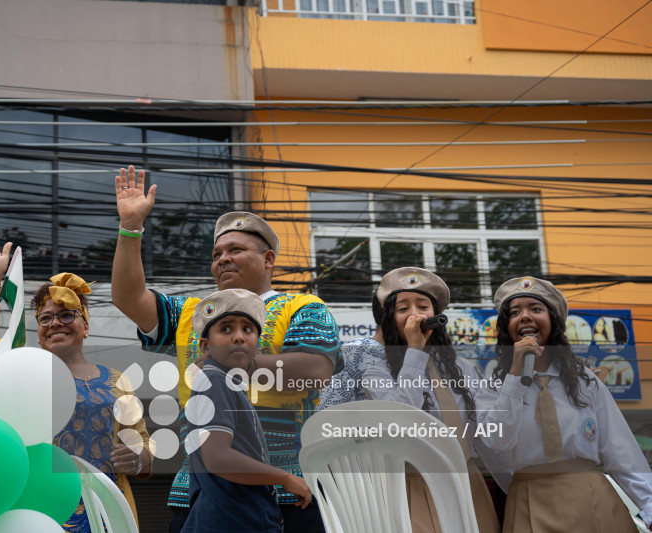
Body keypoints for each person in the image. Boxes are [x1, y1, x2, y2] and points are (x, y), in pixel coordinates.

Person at [111, 166, 342, 533]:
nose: (223, 259)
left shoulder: (304, 307)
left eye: (236, 249)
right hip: (202, 495)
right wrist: (130, 226)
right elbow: (127, 297)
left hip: (287, 493)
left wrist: (226, 363)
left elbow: (314, 372)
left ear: (268, 260)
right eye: (217, 253)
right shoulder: (191, 313)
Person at [0, 228, 152, 532]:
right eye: (45, 317)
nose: (55, 323)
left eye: (67, 315)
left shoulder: (117, 381)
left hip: (101, 513)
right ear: (38, 331)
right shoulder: (23, 372)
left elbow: (143, 448)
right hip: (38, 508)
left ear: (86, 327)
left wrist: (137, 459)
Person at [476, 276, 652, 532]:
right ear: (506, 328)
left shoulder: (584, 380)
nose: (525, 316)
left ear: (553, 323)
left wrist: (649, 506)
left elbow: (621, 451)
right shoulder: (492, 387)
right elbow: (495, 443)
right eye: (515, 312)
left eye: (536, 309)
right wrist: (515, 376)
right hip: (529, 501)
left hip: (592, 500)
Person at [361, 267, 501, 533]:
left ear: (435, 316)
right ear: (390, 320)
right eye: (403, 308)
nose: (415, 314)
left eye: (423, 306)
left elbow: (487, 430)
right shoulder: (377, 373)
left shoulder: (463, 368)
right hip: (415, 484)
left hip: (467, 482)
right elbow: (401, 420)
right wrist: (415, 352)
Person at [182, 288, 312, 533]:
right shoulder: (214, 381)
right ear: (205, 345)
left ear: (257, 345)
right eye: (226, 329)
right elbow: (218, 458)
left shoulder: (227, 383)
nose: (239, 337)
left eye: (248, 330)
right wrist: (285, 477)